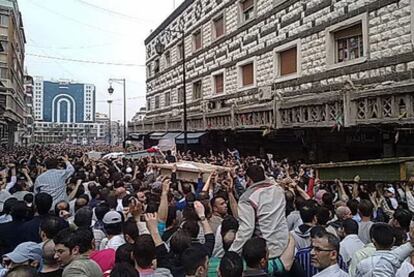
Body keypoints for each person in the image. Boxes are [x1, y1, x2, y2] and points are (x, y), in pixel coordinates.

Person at [229, 165, 289, 274]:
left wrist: (232, 253)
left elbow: (246, 229)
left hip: (265, 251)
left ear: (248, 179)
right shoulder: (278, 189)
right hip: (285, 245)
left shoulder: (247, 198)